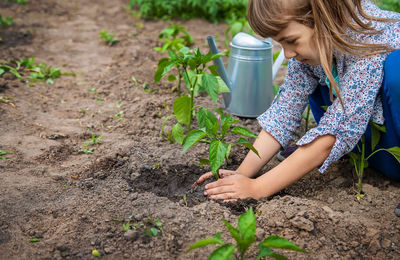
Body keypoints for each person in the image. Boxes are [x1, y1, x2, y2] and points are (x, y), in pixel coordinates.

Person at [193, 0, 400, 202]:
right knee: (313, 64)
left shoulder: (368, 40)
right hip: (368, 147)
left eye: (291, 41)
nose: (287, 53)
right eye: (280, 43)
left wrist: (258, 187)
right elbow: (283, 114)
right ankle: (310, 154)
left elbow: (336, 132)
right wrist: (242, 174)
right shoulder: (318, 43)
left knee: (396, 70)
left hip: (392, 144)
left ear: (323, 19)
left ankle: (309, 154)